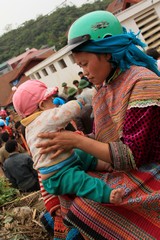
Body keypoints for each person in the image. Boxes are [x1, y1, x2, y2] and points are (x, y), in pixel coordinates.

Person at [36, 10, 160, 239]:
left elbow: (133, 155)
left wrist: (76, 141)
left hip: (149, 169)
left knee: (89, 206)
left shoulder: (142, 83)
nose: (83, 72)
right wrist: (67, 146)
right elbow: (104, 139)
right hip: (120, 166)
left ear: (107, 53)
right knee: (66, 184)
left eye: (84, 63)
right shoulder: (104, 88)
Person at [12, 79, 123, 205]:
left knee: (80, 153)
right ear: (42, 105)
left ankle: (103, 164)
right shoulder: (45, 118)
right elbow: (67, 111)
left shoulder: (28, 128)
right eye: (52, 101)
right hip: (58, 175)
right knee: (81, 181)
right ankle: (107, 194)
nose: (55, 105)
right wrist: (78, 102)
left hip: (61, 165)